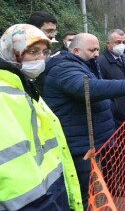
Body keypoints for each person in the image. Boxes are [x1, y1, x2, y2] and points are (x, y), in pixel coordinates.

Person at [42, 33, 125, 208]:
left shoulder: (85, 64)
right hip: (79, 143)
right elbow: (87, 87)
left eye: (97, 49)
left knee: (96, 184)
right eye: (92, 50)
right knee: (84, 193)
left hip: (91, 137)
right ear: (76, 50)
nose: (96, 54)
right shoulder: (63, 68)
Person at [0, 24, 83, 210]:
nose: (41, 58)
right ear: (11, 51)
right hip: (32, 201)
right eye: (33, 51)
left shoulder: (24, 86)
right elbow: (9, 164)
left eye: (45, 52)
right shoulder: (4, 93)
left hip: (49, 190)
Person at [98, 29, 125, 127]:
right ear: (108, 43)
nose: (121, 45)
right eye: (117, 42)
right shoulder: (100, 62)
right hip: (114, 116)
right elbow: (100, 89)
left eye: (123, 42)